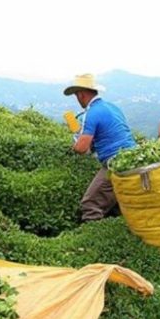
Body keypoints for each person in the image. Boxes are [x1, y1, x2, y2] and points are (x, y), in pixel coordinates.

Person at [64, 73, 137, 221]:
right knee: (120, 205)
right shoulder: (112, 107)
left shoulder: (91, 114)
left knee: (90, 204)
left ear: (81, 94)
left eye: (76, 95)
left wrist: (76, 140)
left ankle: (91, 240)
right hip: (134, 157)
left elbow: (81, 149)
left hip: (116, 162)